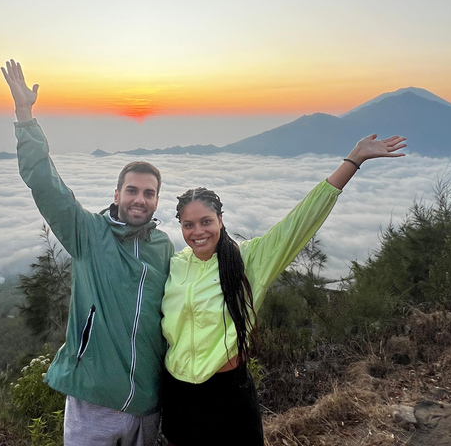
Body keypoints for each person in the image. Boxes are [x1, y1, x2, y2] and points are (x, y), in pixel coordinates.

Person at [160, 134, 407, 445]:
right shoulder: (174, 265)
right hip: (178, 395)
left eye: (206, 221)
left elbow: (298, 223)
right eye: (188, 225)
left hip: (227, 395)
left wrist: (353, 161)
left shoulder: (250, 259)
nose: (198, 232)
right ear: (180, 226)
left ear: (221, 220)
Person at [2, 59, 174, 446]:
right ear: (117, 195)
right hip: (93, 399)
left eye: (149, 193)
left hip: (147, 403)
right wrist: (24, 115)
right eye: (132, 190)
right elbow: (45, 185)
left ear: (157, 200)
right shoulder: (89, 233)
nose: (139, 199)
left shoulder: (163, 247)